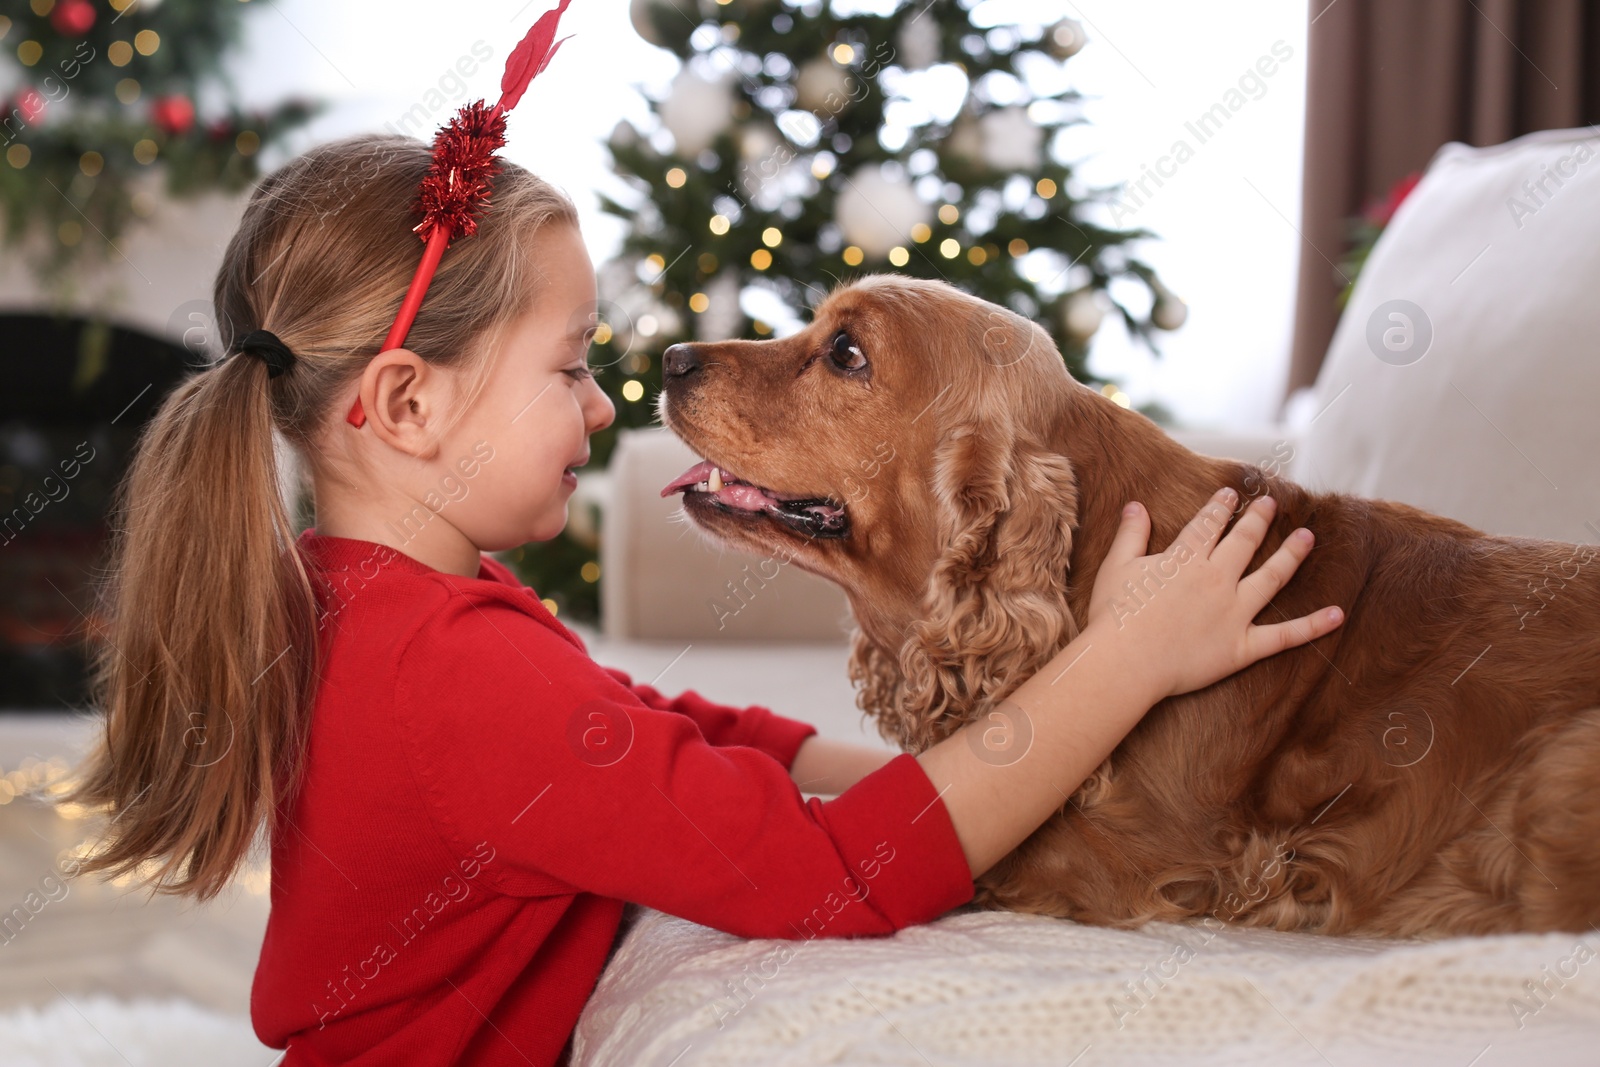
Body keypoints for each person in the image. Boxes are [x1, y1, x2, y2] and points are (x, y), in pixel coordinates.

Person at [59, 128, 1343, 1066]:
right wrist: (1123, 658)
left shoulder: (375, 602)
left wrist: (918, 750)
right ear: (406, 402)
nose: (605, 404)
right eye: (568, 369)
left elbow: (645, 724)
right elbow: (836, 880)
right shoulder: (448, 673)